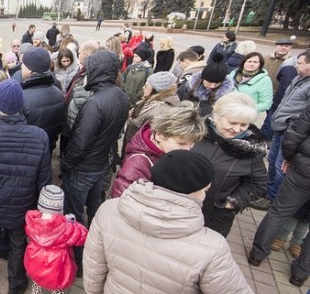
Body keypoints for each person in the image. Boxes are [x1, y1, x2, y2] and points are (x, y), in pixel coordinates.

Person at [83, 150, 252, 293]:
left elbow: (94, 267)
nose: (205, 195)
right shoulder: (213, 247)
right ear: (194, 191)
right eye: (205, 189)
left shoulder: (109, 210)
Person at [0, 79, 51, 294]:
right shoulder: (39, 136)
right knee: (18, 244)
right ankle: (15, 285)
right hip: (23, 206)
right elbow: (44, 181)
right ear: (21, 104)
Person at [61, 50, 129, 275]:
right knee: (94, 209)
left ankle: (77, 261)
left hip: (83, 169)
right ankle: (95, 252)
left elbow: (80, 143)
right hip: (100, 165)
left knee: (74, 215)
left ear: (96, 71)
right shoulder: (120, 95)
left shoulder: (94, 104)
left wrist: (66, 163)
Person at [248, 102, 310, 287]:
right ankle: (300, 274)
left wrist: (289, 157)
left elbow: (296, 131)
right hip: (303, 168)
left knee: (279, 211)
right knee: (279, 212)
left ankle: (257, 254)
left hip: (303, 170)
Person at [192, 92, 268, 237]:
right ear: (216, 117)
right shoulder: (195, 133)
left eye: (243, 125)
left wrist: (232, 203)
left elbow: (258, 184)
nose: (237, 129)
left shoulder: (251, 150)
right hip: (179, 206)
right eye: (232, 123)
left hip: (213, 217)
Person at [251, 51, 310, 211]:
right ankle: (265, 192)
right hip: (280, 129)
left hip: (291, 133)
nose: (296, 65)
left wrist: (292, 126)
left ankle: (272, 198)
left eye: (300, 62)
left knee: (280, 166)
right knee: (272, 161)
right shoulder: (299, 79)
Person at [112, 104, 205, 198]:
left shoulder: (167, 154)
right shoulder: (138, 164)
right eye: (181, 144)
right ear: (159, 135)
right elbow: (123, 201)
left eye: (191, 145)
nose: (187, 150)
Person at [24, 185, 88, 294]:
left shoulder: (32, 221)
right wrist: (73, 223)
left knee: (37, 281)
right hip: (56, 267)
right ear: (59, 208)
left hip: (35, 261)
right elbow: (82, 237)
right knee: (58, 287)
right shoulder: (66, 227)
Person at [121, 71, 181, 151]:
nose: (143, 88)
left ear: (156, 89)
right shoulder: (151, 101)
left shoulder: (158, 112)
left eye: (146, 86)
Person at [21, 47, 65, 154]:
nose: (21, 66)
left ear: (30, 70)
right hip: (48, 146)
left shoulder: (22, 97)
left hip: (27, 151)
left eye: (23, 64)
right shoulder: (59, 94)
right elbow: (61, 125)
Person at [227, 52, 273, 127]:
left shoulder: (265, 80)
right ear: (244, 62)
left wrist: (247, 110)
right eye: (249, 61)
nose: (251, 64)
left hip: (245, 117)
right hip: (228, 112)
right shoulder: (234, 73)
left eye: (255, 62)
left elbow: (266, 104)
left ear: (260, 64)